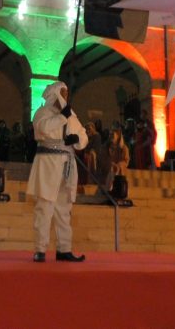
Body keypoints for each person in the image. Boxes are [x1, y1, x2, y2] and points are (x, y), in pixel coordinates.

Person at [26, 81, 88, 262]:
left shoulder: (71, 115)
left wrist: (77, 139)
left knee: (64, 209)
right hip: (48, 164)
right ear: (55, 93)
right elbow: (42, 129)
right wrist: (62, 117)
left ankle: (64, 249)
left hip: (67, 165)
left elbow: (83, 135)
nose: (66, 96)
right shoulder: (42, 112)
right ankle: (40, 249)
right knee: (44, 207)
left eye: (67, 93)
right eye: (63, 92)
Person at [98, 128, 130, 194]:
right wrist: (111, 164)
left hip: (119, 170)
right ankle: (109, 189)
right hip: (107, 169)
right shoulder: (105, 147)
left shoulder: (124, 148)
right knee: (111, 169)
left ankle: (115, 189)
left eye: (112, 134)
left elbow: (126, 161)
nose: (110, 136)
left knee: (116, 169)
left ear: (118, 136)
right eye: (110, 134)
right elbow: (102, 160)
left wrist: (118, 165)